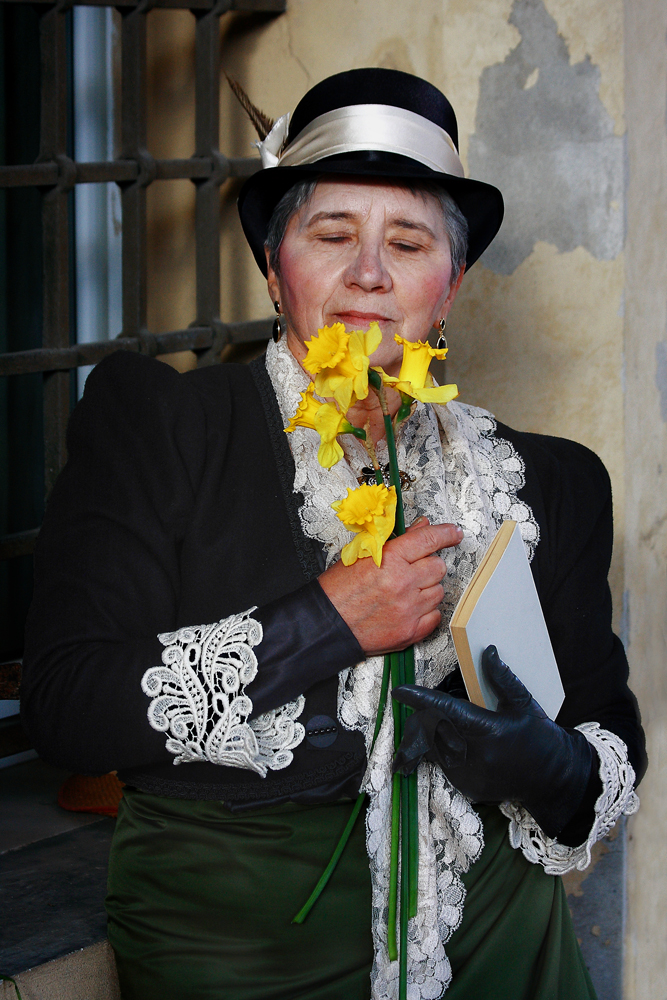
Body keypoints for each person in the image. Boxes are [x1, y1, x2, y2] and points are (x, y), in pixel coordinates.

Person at [21, 68, 645, 1000]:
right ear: (276, 269)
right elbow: (68, 706)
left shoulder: (548, 481)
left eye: (407, 241)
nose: (368, 273)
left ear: (449, 287)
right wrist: (329, 620)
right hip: (241, 947)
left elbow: (610, 750)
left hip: (498, 938)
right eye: (331, 235)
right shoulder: (162, 425)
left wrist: (541, 759)